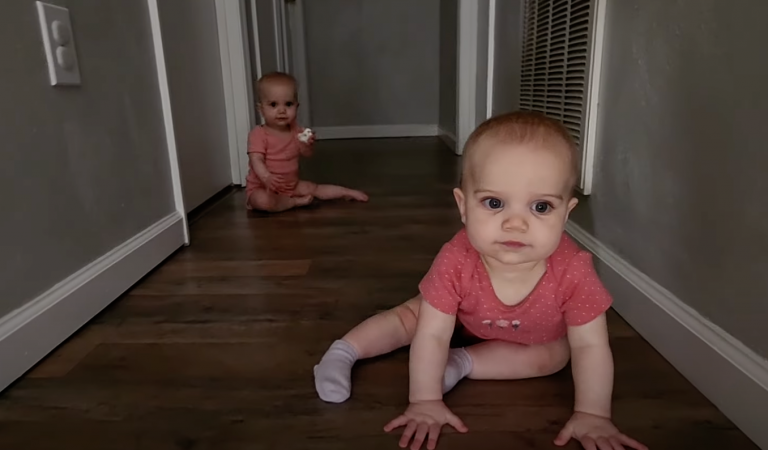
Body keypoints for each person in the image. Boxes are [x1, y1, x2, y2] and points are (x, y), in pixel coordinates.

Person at [312, 111, 647, 450]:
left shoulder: (574, 269)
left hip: (529, 337)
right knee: (412, 318)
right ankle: (343, 352)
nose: (515, 224)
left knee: (555, 356)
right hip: (461, 315)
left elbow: (590, 345)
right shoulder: (457, 258)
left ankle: (460, 363)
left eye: (541, 207)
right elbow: (432, 333)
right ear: (463, 206)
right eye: (494, 202)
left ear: (567, 213)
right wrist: (425, 401)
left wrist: (593, 413)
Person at [246, 72, 368, 212]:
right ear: (261, 109)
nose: (282, 110)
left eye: (288, 104)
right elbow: (256, 160)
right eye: (273, 104)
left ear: (296, 106)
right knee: (261, 200)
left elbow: (307, 154)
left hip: (290, 185)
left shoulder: (296, 131)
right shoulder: (258, 134)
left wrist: (306, 145)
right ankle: (293, 203)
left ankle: (347, 192)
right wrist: (266, 177)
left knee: (313, 188)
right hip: (264, 187)